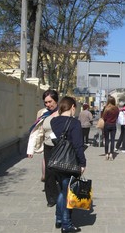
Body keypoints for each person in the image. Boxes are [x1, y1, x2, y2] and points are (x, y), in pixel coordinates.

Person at [50, 96, 86, 233]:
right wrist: (83, 163)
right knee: (67, 194)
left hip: (56, 161)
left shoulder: (54, 121)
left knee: (62, 191)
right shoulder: (74, 123)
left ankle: (59, 219)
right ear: (72, 107)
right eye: (74, 108)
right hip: (70, 163)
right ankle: (67, 225)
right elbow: (78, 145)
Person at [27, 89, 59, 207]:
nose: (48, 104)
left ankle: (60, 194)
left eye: (50, 101)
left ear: (56, 100)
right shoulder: (42, 113)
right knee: (49, 172)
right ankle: (51, 198)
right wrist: (30, 150)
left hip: (60, 146)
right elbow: (35, 131)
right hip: (48, 146)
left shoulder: (62, 111)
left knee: (59, 171)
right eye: (45, 102)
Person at [102, 96, 119, 161]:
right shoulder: (116, 109)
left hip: (107, 125)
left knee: (107, 140)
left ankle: (106, 154)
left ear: (108, 101)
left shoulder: (106, 108)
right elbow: (117, 117)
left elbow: (104, 118)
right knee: (112, 140)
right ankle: (111, 154)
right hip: (113, 125)